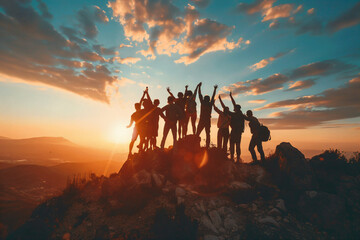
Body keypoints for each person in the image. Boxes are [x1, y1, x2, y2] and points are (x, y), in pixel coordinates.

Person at [196, 83, 218, 148]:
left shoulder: (203, 103)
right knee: (207, 133)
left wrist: (199, 87)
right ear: (208, 99)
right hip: (207, 120)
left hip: (203, 120)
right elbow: (213, 96)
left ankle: (198, 145)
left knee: (198, 133)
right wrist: (214, 89)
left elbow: (200, 95)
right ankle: (206, 146)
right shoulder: (209, 104)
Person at [127, 91, 147, 157]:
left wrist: (128, 126)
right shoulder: (142, 112)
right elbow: (141, 101)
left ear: (135, 107)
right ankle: (140, 150)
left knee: (133, 140)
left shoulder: (133, 115)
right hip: (142, 128)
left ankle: (130, 152)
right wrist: (144, 94)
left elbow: (130, 124)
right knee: (142, 139)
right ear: (139, 107)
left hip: (136, 128)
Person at [228, 91, 246, 163]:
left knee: (232, 144)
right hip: (238, 132)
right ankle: (237, 159)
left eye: (235, 108)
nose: (234, 108)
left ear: (236, 108)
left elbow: (233, 104)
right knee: (237, 145)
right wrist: (231, 97)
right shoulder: (240, 114)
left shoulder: (234, 114)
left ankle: (233, 158)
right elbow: (234, 103)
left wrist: (231, 97)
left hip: (234, 131)